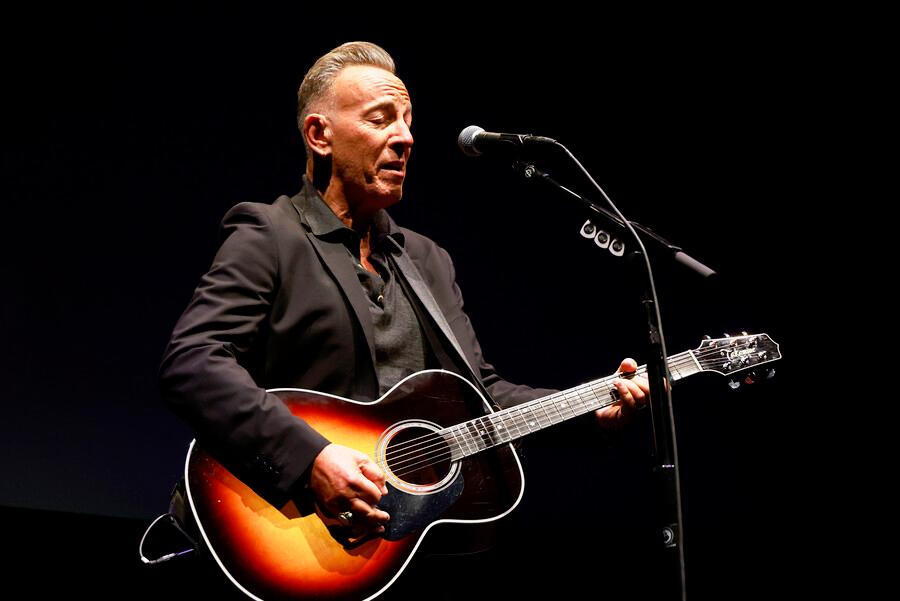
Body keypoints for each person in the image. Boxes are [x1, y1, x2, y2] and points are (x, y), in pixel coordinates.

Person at [158, 41, 649, 598]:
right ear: (320, 135)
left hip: (405, 557)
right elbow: (192, 363)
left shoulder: (426, 260)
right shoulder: (270, 234)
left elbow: (481, 396)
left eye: (409, 122)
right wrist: (312, 459)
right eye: (381, 119)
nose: (407, 137)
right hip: (291, 537)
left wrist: (594, 410)